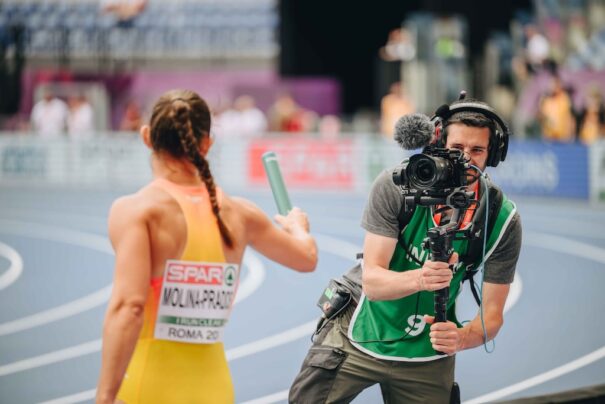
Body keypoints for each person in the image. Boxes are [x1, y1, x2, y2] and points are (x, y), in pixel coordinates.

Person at [289, 97, 522, 403]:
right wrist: (421, 279)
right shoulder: (396, 186)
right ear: (438, 142)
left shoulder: (501, 219)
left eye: (477, 150)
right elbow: (372, 282)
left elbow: (491, 317)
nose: (465, 159)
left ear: (492, 155)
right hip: (360, 331)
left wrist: (463, 337)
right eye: (457, 149)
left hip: (427, 351)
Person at [96, 89, 318, 404]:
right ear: (207, 144)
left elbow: (129, 308)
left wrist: (105, 396)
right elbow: (306, 258)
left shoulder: (135, 210)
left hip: (149, 385)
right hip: (214, 387)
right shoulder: (240, 213)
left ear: (146, 137)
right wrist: (299, 228)